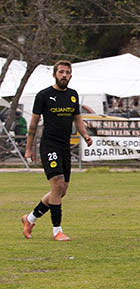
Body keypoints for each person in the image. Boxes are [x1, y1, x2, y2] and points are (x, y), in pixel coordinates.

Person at [21, 60, 94, 242]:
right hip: (49, 145)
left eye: (67, 72)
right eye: (60, 72)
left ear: (71, 75)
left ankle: (29, 218)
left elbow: (77, 118)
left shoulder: (72, 95)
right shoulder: (44, 95)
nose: (64, 75)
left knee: (61, 191)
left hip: (64, 146)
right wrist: (29, 148)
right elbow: (33, 124)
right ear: (54, 74)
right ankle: (57, 231)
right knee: (57, 184)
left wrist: (84, 134)